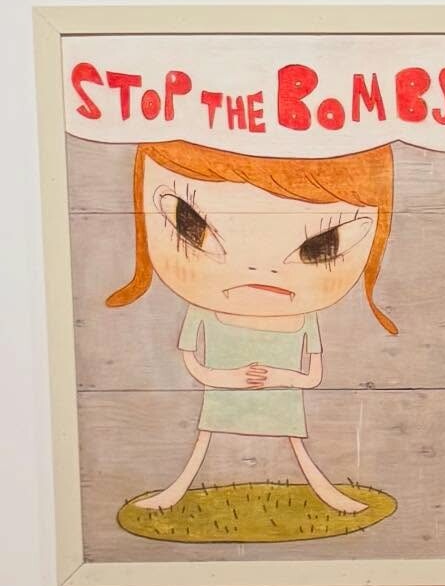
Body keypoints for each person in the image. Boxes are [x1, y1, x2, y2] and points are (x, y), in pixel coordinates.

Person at [107, 140, 396, 513]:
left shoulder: (303, 319)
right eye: (192, 227)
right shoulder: (203, 311)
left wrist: (278, 377)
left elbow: (313, 376)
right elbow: (194, 362)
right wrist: (229, 378)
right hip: (223, 394)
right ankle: (175, 490)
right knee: (203, 439)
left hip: (281, 397)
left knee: (295, 444)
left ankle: (327, 492)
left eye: (323, 246)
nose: (260, 270)